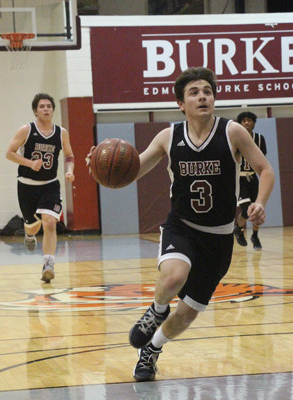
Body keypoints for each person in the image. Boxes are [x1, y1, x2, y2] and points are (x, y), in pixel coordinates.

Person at [87, 67, 274, 381]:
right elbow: (129, 173)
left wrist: (260, 203)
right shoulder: (168, 136)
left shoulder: (233, 133)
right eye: (194, 92)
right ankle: (156, 309)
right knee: (173, 278)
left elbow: (265, 170)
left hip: (219, 238)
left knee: (186, 315)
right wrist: (97, 166)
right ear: (181, 104)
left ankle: (152, 350)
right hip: (182, 226)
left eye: (207, 91)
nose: (203, 96)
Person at [6, 93, 75, 283]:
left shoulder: (61, 133)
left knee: (50, 221)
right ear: (35, 110)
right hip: (27, 186)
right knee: (33, 226)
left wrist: (69, 171)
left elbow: (69, 156)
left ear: (53, 110)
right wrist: (29, 163)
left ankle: (49, 264)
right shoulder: (26, 130)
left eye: (49, 106)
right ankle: (29, 233)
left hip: (50, 185)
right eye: (42, 106)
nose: (46, 109)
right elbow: (9, 153)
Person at [233, 112, 267, 250]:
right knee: (247, 209)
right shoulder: (234, 139)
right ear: (240, 123)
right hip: (239, 178)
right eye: (244, 121)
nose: (247, 123)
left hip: (253, 177)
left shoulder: (259, 139)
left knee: (257, 210)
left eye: (249, 120)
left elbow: (262, 161)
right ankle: (239, 229)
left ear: (254, 123)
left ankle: (255, 235)